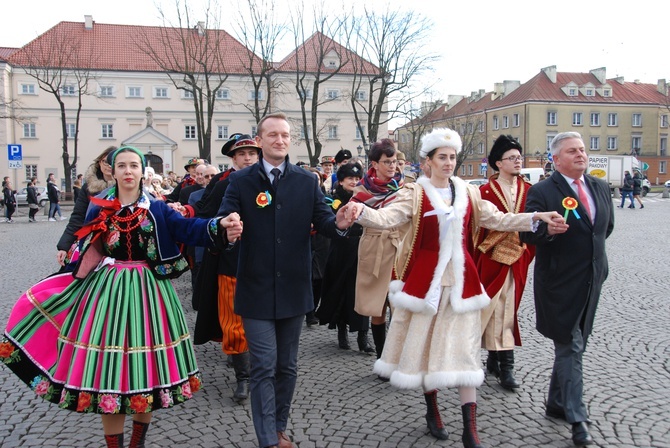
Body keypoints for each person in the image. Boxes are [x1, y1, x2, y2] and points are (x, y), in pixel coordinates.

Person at [0, 146, 240, 448]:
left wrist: (218, 226)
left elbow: (187, 229)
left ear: (142, 171)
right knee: (108, 376)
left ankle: (137, 442)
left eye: (134, 166)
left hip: (151, 293)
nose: (128, 171)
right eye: (122, 166)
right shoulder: (99, 207)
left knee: (147, 371)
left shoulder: (156, 207)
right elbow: (85, 243)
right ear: (112, 170)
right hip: (107, 293)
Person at [344, 128, 566, 448]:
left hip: (463, 283)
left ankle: (470, 428)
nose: (448, 163)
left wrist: (535, 217)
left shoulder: (467, 192)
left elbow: (498, 219)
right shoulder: (414, 193)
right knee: (427, 350)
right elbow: (388, 218)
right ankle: (433, 410)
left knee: (465, 354)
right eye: (442, 158)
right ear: (428, 162)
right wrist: (360, 211)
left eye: (452, 157)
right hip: (426, 285)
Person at [217, 112, 353, 448]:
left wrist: (340, 222)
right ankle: (268, 440)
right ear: (260, 141)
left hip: (294, 288)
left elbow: (323, 221)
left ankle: (278, 427)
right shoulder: (241, 181)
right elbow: (225, 214)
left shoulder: (306, 181)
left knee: (287, 367)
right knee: (263, 365)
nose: (280, 140)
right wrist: (228, 224)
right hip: (256, 288)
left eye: (285, 135)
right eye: (273, 135)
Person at [520, 131, 614, 447]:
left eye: (583, 150)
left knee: (576, 346)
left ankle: (556, 402)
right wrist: (547, 230)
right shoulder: (543, 190)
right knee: (570, 347)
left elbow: (604, 230)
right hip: (559, 285)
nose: (580, 155)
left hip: (592, 280)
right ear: (556, 159)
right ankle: (577, 420)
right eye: (572, 151)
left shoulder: (600, 187)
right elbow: (527, 234)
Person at [474, 135, 536, 391]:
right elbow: (478, 226)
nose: (518, 161)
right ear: (498, 163)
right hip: (491, 257)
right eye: (512, 158)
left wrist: (528, 249)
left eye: (519, 157)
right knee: (492, 307)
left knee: (508, 307)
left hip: (519, 256)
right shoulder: (484, 191)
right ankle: (504, 365)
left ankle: (498, 359)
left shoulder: (530, 190)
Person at [351, 138, 404, 361]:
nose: (392, 166)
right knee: (378, 305)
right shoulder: (362, 189)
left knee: (400, 305)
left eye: (394, 161)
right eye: (387, 162)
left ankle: (398, 356)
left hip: (400, 247)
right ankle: (383, 357)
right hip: (375, 246)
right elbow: (359, 218)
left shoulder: (405, 186)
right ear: (374, 164)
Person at [316, 161, 375, 353]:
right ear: (340, 181)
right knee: (341, 291)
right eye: (350, 178)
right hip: (340, 251)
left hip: (362, 250)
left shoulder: (366, 199)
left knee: (362, 293)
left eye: (357, 178)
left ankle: (363, 336)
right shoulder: (334, 200)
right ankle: (342, 329)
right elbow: (329, 224)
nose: (354, 181)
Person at [56, 146, 117, 266]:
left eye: (113, 162)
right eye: (105, 161)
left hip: (116, 243)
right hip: (91, 241)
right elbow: (78, 217)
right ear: (99, 162)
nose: (109, 165)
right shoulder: (89, 187)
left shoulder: (125, 188)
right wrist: (64, 246)